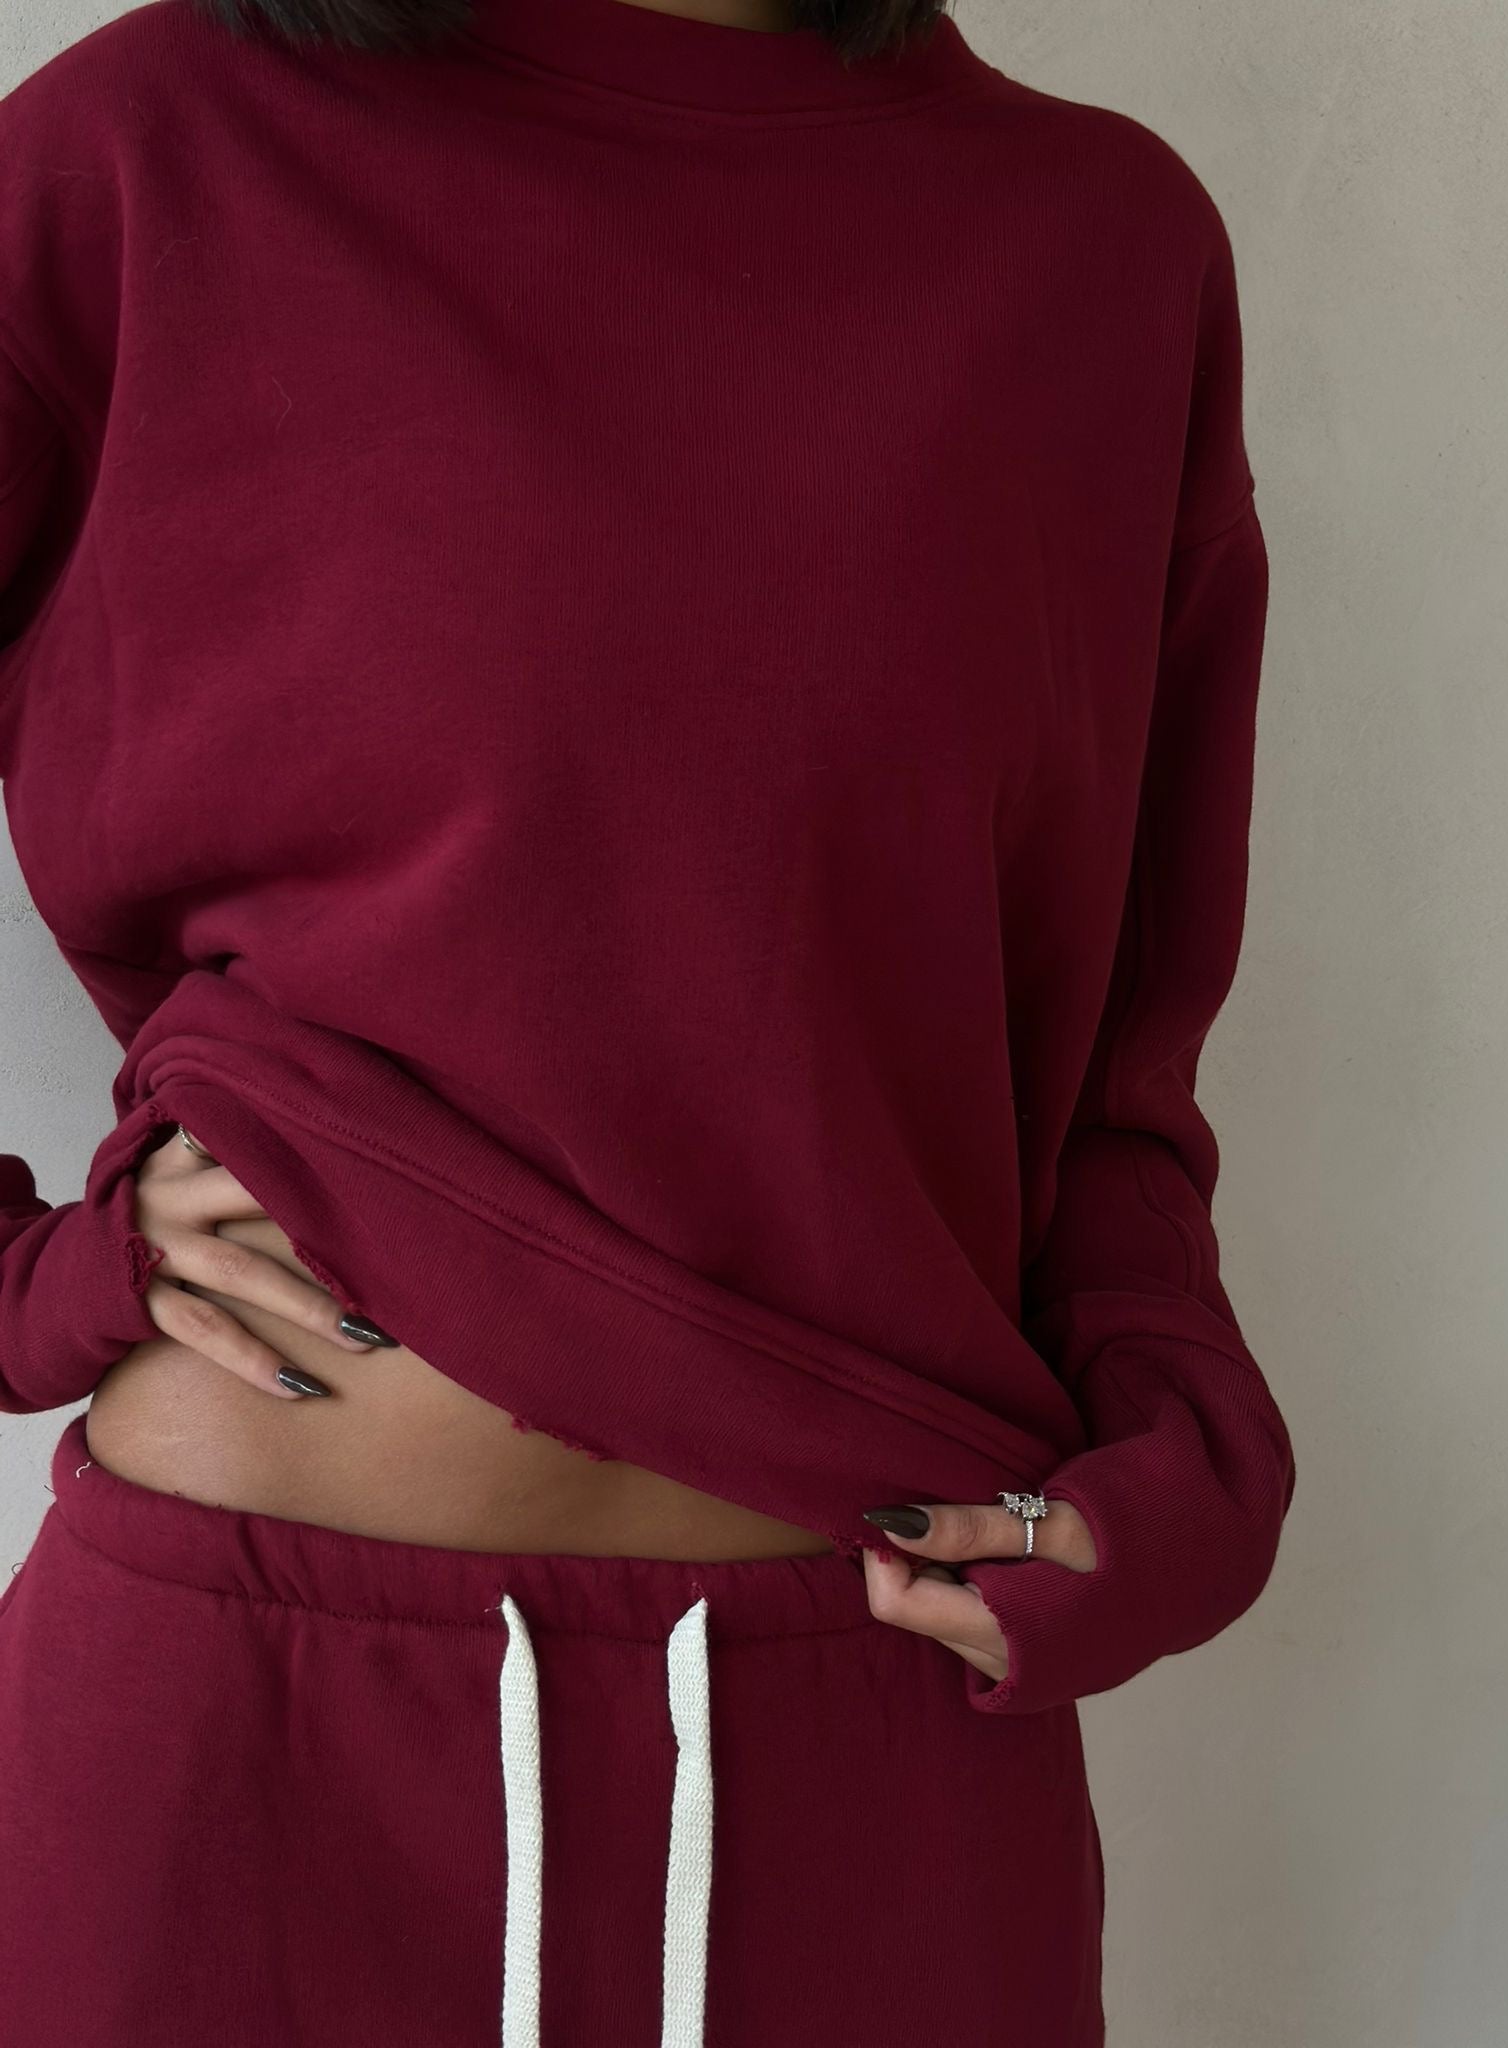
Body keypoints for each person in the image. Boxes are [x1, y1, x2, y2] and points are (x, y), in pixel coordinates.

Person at [0, 0, 1297, 2040]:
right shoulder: (144, 154)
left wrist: (1187, 1453)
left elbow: (1113, 1044)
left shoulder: (1101, 248)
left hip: (877, 1745)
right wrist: (27, 1278)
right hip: (227, 1743)